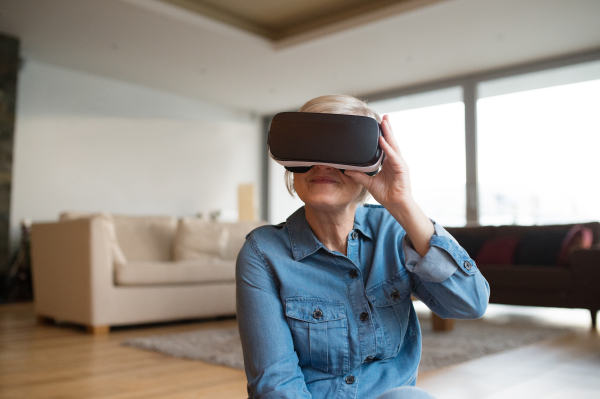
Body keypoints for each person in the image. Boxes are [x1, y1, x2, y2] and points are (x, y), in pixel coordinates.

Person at [236, 94, 490, 399]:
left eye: (340, 150)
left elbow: (471, 303)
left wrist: (403, 203)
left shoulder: (395, 233)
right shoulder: (263, 253)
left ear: (371, 162)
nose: (321, 164)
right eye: (309, 148)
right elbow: (275, 382)